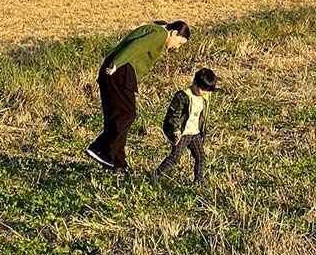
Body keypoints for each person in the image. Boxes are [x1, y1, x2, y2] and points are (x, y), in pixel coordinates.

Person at [86, 20, 191, 172]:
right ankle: (100, 149)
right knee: (127, 114)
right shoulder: (160, 34)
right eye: (179, 43)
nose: (177, 47)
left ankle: (118, 165)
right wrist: (116, 63)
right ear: (174, 33)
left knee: (117, 117)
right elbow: (136, 47)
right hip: (120, 70)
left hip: (118, 70)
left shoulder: (156, 30)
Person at [153, 67, 218, 184]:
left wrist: (203, 130)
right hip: (182, 133)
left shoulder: (204, 98)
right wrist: (175, 129)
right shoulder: (183, 97)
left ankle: (199, 180)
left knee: (200, 157)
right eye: (203, 89)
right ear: (194, 83)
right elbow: (174, 114)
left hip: (195, 133)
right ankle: (156, 174)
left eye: (208, 90)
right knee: (175, 158)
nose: (205, 93)